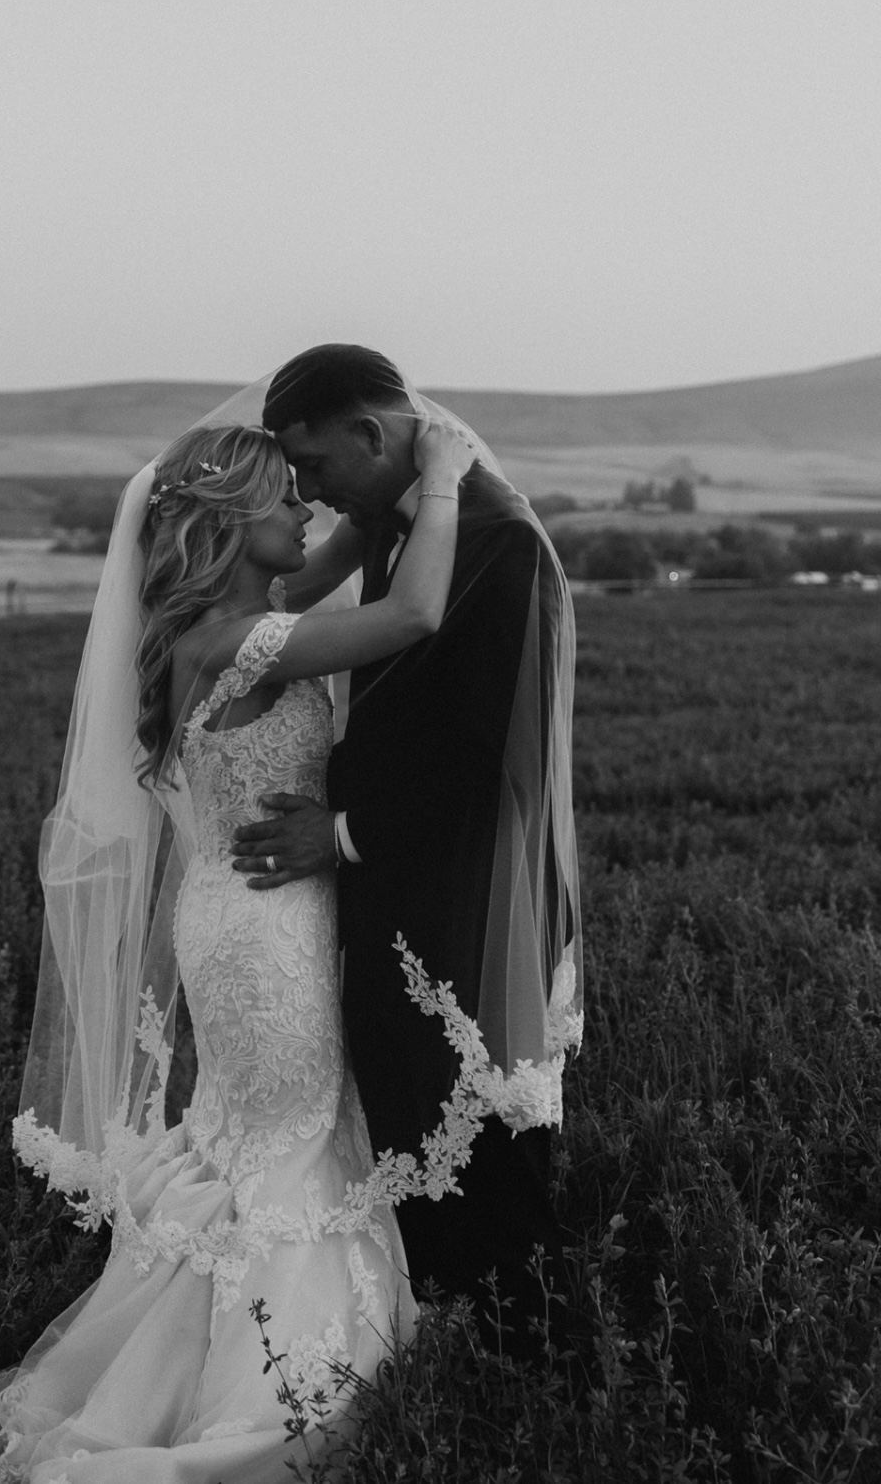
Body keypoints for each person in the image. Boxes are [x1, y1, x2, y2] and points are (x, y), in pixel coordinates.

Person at [0, 408, 477, 1483]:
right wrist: (447, 476)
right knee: (286, 1151)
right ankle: (267, 1394)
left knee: (252, 1142)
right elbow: (416, 611)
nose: (306, 506)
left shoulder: (224, 625)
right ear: (231, 524)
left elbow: (341, 544)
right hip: (268, 932)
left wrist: (382, 477)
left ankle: (191, 1360)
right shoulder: (241, 643)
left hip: (234, 914)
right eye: (284, 495)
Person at [234, 345, 582, 1352]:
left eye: (314, 464)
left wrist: (340, 833)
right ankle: (440, 1338)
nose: (308, 492)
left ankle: (536, 1363)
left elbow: (492, 758)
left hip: (462, 897)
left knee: (476, 1128)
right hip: (394, 890)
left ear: (369, 432)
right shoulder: (403, 519)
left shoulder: (496, 538)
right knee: (410, 1117)